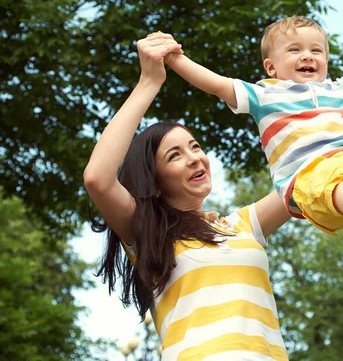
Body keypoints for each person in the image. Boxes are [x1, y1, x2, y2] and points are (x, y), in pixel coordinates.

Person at [83, 32, 290, 360]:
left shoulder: (241, 226)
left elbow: (308, 177)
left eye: (194, 147)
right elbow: (97, 178)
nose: (195, 157)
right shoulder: (148, 234)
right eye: (174, 155)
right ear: (155, 181)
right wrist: (149, 82)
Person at [166, 16, 343, 250]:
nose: (307, 56)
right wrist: (176, 59)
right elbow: (216, 84)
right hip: (308, 176)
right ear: (271, 67)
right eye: (295, 50)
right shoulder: (265, 94)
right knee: (337, 178)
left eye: (316, 51)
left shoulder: (335, 88)